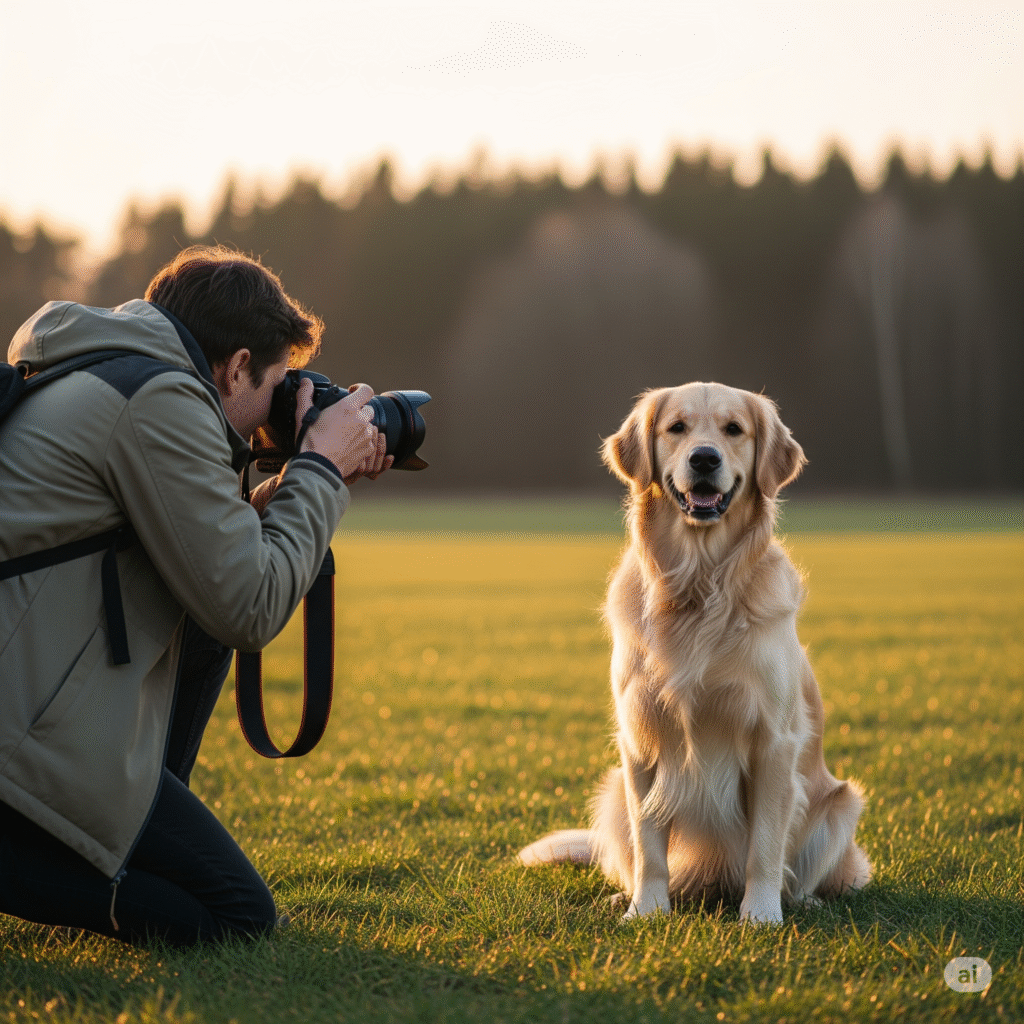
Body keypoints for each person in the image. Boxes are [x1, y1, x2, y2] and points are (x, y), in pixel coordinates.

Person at [0, 245, 390, 945]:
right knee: (237, 916)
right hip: (21, 740)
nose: (269, 411)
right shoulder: (159, 398)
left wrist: (295, 484)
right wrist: (320, 469)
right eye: (273, 385)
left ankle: (96, 840)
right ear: (237, 366)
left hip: (27, 703)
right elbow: (247, 608)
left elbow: (203, 549)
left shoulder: (106, 370)